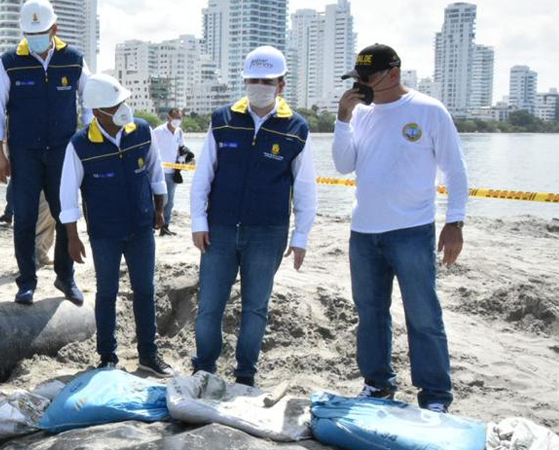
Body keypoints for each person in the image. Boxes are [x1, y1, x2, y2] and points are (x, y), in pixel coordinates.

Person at [333, 44, 467, 414]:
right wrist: (343, 119)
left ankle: (435, 397)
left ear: (394, 73)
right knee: (370, 312)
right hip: (364, 232)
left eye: (368, 77)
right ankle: (377, 384)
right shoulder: (359, 114)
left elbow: (455, 170)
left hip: (412, 229)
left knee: (423, 314)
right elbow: (344, 165)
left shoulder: (428, 110)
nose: (361, 84)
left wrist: (455, 223)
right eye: (356, 77)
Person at [189, 46, 317, 387]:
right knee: (209, 306)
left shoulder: (296, 128)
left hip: (269, 233)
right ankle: (204, 368)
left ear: (281, 84)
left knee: (256, 308)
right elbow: (204, 175)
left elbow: (305, 189)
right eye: (253, 80)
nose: (260, 86)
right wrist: (198, 222)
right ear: (244, 81)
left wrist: (300, 236)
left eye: (267, 80)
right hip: (219, 230)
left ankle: (245, 375)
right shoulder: (223, 120)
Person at [59, 73, 171, 375]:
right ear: (97, 113)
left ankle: (149, 354)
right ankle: (107, 356)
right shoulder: (80, 145)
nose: (124, 108)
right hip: (104, 233)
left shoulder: (142, 132)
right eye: (115, 104)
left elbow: (155, 172)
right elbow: (67, 195)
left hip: (140, 228)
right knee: (106, 292)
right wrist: (72, 237)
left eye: (123, 101)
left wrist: (160, 209)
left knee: (144, 290)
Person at [0, 0, 92, 305]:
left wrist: (85, 140)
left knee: (65, 215)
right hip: (24, 152)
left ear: (54, 30)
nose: (34, 38)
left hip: (63, 151)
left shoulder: (73, 59)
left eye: (41, 32)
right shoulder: (9, 62)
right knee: (24, 218)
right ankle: (27, 281)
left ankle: (65, 276)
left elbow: (90, 101)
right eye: (29, 33)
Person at [152, 108, 188, 236]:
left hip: (173, 171)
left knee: (170, 201)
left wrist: (181, 161)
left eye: (180, 118)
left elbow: (182, 149)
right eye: (175, 118)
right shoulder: (158, 132)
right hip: (159, 171)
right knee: (161, 200)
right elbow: (150, 150)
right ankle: (152, 225)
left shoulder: (179, 132)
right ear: (168, 118)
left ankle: (165, 227)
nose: (177, 121)